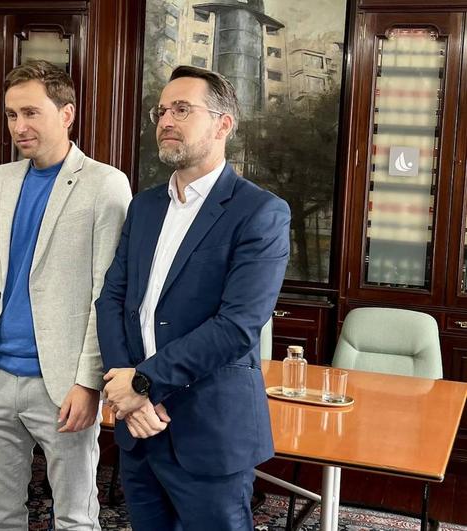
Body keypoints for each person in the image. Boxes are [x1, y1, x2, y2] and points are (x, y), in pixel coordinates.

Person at [96, 65, 291, 531]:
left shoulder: (260, 212)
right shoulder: (144, 206)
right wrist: (130, 398)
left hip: (208, 430)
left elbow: (237, 326)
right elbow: (112, 300)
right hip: (139, 429)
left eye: (182, 109)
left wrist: (142, 383)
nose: (166, 120)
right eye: (161, 110)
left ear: (224, 124)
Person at [0, 59, 132, 530]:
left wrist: (89, 381)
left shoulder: (105, 184)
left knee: (74, 517)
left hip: (61, 383)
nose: (19, 126)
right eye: (11, 115)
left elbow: (105, 294)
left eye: (31, 113)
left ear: (67, 113)